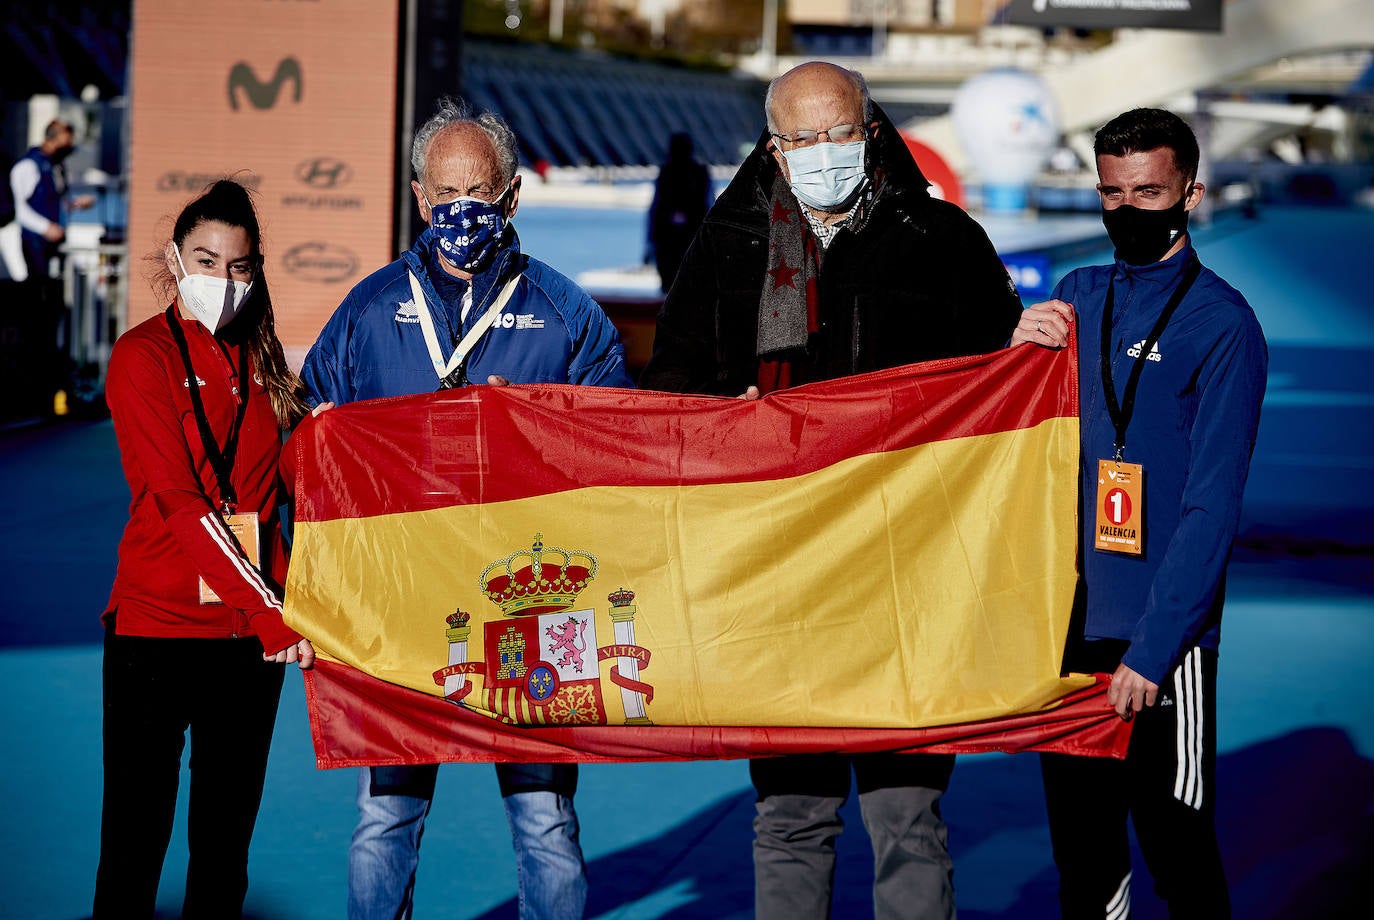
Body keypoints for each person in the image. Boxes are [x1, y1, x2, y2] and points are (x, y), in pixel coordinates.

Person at [639, 61, 1022, 919]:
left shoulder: (943, 240)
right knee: (790, 815)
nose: (822, 152)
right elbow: (672, 389)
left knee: (909, 817)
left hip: (907, 574)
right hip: (780, 577)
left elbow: (1006, 391)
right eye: (802, 139)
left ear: (871, 130)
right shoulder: (726, 244)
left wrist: (1027, 343)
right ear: (773, 149)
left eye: (838, 133)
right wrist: (718, 416)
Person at [300, 98, 632, 920]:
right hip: (400, 600)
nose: (461, 212)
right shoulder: (370, 310)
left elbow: (620, 448)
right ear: (418, 197)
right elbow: (310, 454)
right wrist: (308, 591)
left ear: (512, 197)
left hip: (533, 597)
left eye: (478, 192)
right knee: (386, 816)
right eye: (445, 193)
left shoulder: (566, 313)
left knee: (545, 819)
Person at [1014, 108, 1267, 919]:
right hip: (1071, 629)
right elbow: (1022, 439)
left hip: (1165, 643)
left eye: (1149, 191)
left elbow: (1211, 508)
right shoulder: (1077, 295)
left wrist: (1154, 654)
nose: (1128, 209)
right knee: (1085, 866)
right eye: (1113, 193)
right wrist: (1019, 346)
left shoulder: (1223, 324)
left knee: (1179, 858)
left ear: (1190, 194)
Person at [94, 178, 316, 918]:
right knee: (133, 847)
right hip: (156, 632)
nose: (223, 280)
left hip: (244, 647)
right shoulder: (141, 357)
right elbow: (181, 502)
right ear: (174, 258)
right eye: (207, 260)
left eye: (240, 266)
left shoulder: (264, 359)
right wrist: (271, 613)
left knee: (224, 856)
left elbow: (283, 493)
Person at [646, 131, 711, 292]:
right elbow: (710, 208)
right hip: (691, 238)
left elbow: (655, 209)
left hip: (667, 240)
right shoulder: (700, 173)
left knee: (670, 289)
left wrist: (650, 243)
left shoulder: (666, 172)